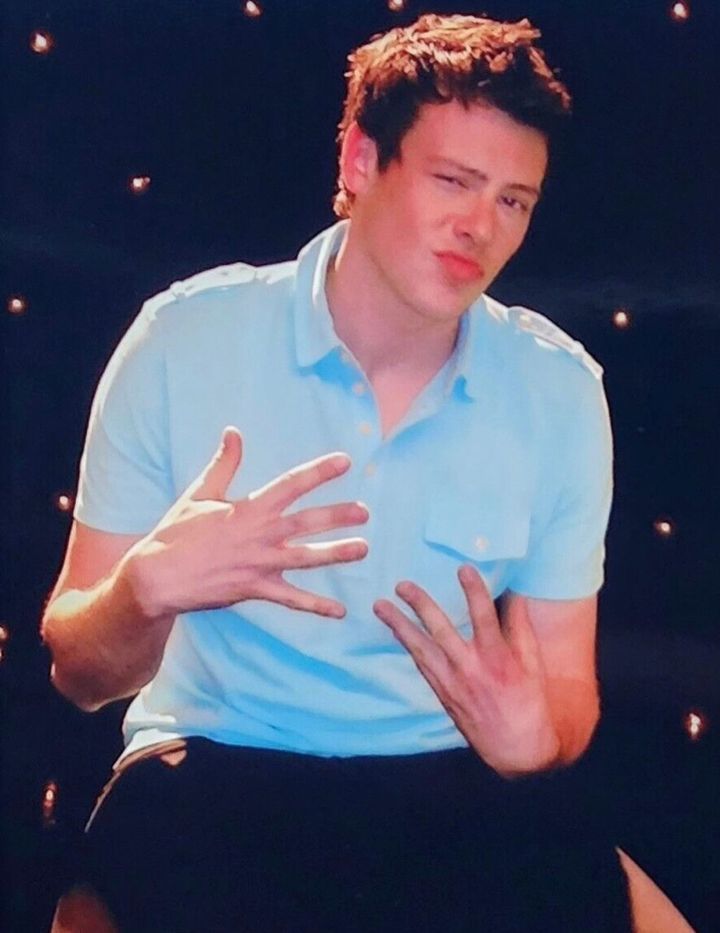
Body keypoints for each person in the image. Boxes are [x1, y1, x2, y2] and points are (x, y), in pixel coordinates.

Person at [43, 13, 634, 932]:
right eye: (454, 181)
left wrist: (538, 741)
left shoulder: (561, 391)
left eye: (514, 200)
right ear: (361, 162)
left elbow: (569, 695)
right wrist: (143, 591)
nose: (480, 226)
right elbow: (78, 672)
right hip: (211, 765)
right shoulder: (182, 338)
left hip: (446, 783)